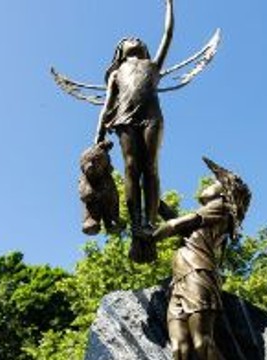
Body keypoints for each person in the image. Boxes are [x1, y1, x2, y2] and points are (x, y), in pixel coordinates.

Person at [151, 158, 251, 360]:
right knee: (179, 348)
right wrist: (153, 199)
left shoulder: (221, 207)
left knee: (202, 343)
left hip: (198, 274)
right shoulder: (207, 216)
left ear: (223, 193)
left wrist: (148, 238)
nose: (207, 185)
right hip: (179, 280)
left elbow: (176, 224)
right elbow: (176, 220)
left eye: (212, 183)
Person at [94, 0, 175, 243]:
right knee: (131, 167)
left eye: (139, 38)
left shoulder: (153, 65)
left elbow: (168, 34)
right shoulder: (117, 73)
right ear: (119, 51)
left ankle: (149, 222)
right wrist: (98, 135)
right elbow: (107, 104)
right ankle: (136, 222)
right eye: (128, 39)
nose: (135, 39)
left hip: (151, 118)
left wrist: (170, 5)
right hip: (124, 119)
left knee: (150, 167)